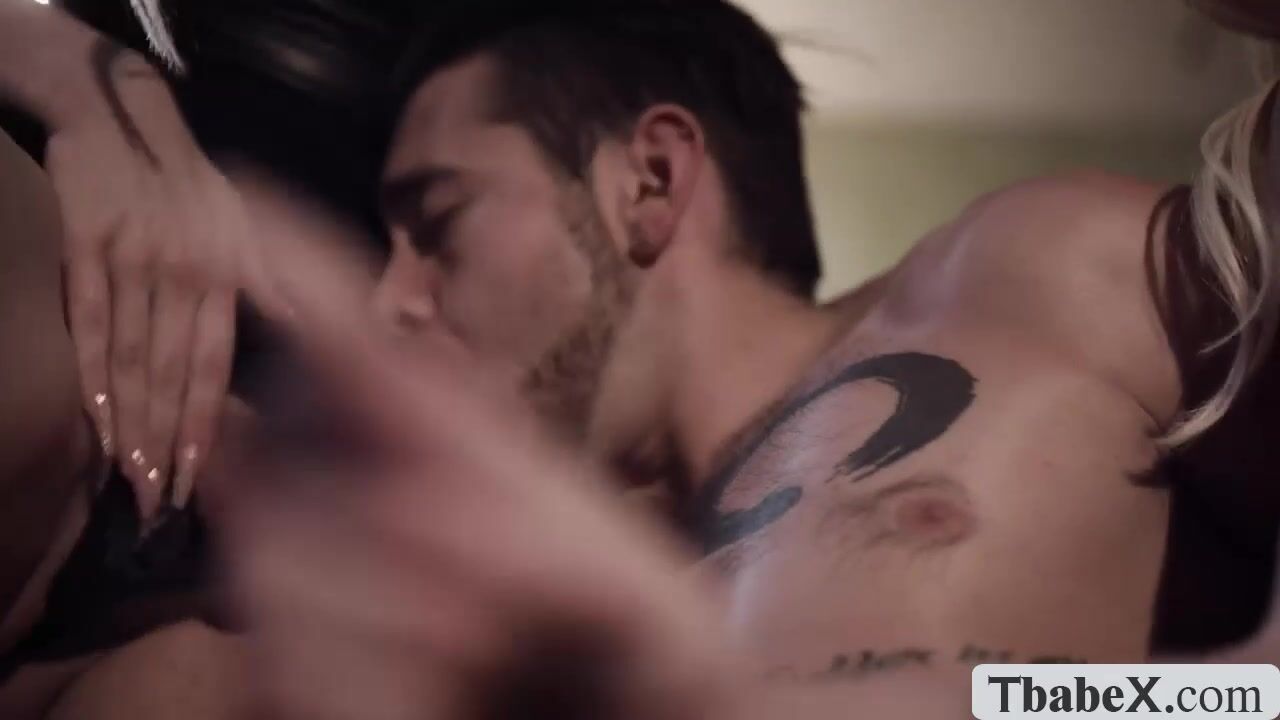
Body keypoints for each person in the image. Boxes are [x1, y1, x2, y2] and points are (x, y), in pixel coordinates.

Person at [211, 0, 1280, 717]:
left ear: (649, 179)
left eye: (440, 220)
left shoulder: (1024, 271)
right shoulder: (484, 600)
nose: (393, 300)